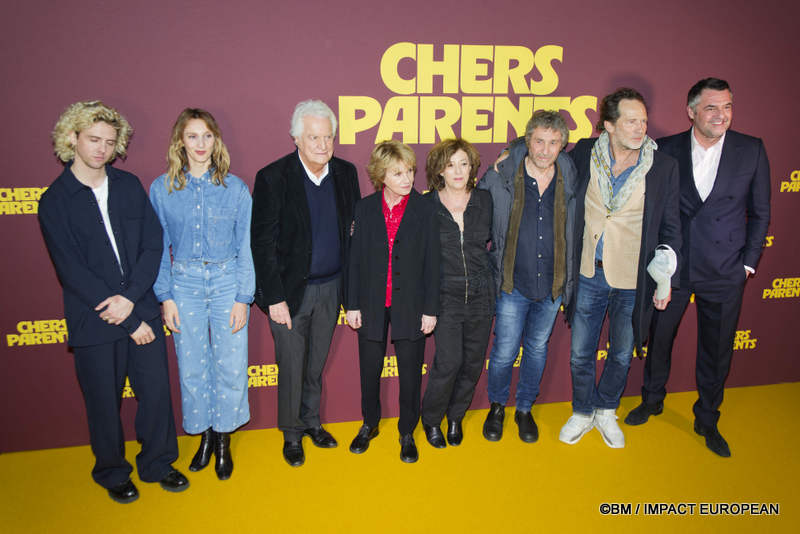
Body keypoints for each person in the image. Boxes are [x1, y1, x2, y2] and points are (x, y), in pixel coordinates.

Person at [39, 100, 188, 503]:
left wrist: (132, 300)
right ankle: (111, 471)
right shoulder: (55, 201)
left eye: (109, 141)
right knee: (103, 402)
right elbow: (71, 271)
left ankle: (158, 462)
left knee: (156, 393)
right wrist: (123, 316)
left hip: (139, 307)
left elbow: (152, 245)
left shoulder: (128, 186)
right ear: (72, 139)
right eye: (93, 140)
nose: (102, 149)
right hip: (94, 321)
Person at [625, 78, 771, 457]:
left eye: (727, 107)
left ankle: (707, 417)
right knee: (658, 340)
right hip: (673, 267)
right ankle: (652, 399)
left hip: (725, 271)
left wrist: (747, 266)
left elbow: (761, 212)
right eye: (711, 107)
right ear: (691, 111)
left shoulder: (751, 150)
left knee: (716, 349)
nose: (721, 115)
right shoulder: (666, 149)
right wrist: (656, 263)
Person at [559, 88, 681, 448]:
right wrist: (511, 152)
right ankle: (582, 411)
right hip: (588, 272)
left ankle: (606, 409)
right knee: (581, 352)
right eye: (630, 120)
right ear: (608, 125)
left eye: (643, 120)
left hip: (633, 278)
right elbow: (541, 147)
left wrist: (664, 278)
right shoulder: (583, 152)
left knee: (621, 351)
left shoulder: (663, 166)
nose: (640, 127)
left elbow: (671, 228)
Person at [251, 100, 360, 467]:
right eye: (313, 137)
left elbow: (353, 235)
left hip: (333, 288)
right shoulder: (273, 177)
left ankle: (312, 423)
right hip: (290, 293)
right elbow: (261, 244)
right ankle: (291, 434)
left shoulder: (346, 174)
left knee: (315, 365)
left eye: (328, 137)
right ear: (297, 138)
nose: (322, 144)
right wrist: (274, 297)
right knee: (292, 365)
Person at [150, 108, 254, 480]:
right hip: (184, 285)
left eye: (207, 136)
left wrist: (244, 296)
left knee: (230, 362)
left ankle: (224, 438)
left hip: (227, 281)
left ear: (217, 141)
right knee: (192, 366)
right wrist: (166, 296)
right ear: (180, 140)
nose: (200, 144)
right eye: (193, 136)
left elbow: (246, 246)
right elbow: (158, 247)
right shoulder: (162, 189)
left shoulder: (236, 188)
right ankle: (204, 436)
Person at [478, 111, 578, 443]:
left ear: (563, 145)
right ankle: (496, 407)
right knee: (505, 351)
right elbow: (474, 213)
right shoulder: (502, 173)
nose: (545, 150)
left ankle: (524, 409)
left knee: (536, 348)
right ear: (527, 140)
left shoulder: (570, 172)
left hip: (552, 284)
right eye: (538, 141)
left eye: (553, 142)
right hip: (512, 282)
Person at [345, 140, 439, 463]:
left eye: (410, 171)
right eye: (398, 172)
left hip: (411, 305)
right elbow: (354, 261)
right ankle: (369, 424)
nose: (407, 178)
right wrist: (352, 304)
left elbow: (433, 263)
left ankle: (407, 431)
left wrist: (430, 309)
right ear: (380, 174)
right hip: (371, 304)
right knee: (368, 371)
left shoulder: (425, 208)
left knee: (411, 374)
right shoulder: (365, 208)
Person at [420, 139, 493, 448]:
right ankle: (432, 419)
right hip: (445, 295)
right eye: (450, 165)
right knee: (448, 362)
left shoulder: (486, 200)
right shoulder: (426, 205)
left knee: (473, 363)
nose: (458, 171)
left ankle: (456, 416)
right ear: (439, 170)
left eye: (464, 163)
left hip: (481, 294)